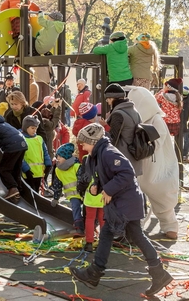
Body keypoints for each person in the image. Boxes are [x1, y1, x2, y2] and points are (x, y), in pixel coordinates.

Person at [69, 123, 173, 296]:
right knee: (131, 236)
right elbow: (107, 174)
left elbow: (126, 173)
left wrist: (108, 189)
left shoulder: (109, 153)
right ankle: (158, 273)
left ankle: (95, 273)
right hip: (124, 203)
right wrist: (98, 185)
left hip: (126, 203)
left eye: (84, 143)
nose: (82, 146)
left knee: (113, 234)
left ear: (92, 142)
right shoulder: (99, 153)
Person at [127, 86, 180, 239]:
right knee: (138, 197)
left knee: (161, 195)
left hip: (156, 164)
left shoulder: (156, 119)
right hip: (142, 164)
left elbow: (158, 140)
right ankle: (138, 227)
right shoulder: (139, 119)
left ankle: (170, 226)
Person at [103, 83, 145, 176]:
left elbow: (112, 139)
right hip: (134, 157)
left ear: (113, 98)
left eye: (108, 98)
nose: (107, 101)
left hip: (122, 160)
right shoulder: (134, 111)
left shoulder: (118, 114)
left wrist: (105, 126)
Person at [74, 137, 105, 252]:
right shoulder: (104, 158)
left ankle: (89, 243)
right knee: (103, 219)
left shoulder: (86, 159)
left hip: (90, 193)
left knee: (89, 219)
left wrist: (81, 190)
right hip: (103, 193)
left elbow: (82, 178)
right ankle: (103, 242)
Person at [0, 113, 28, 203]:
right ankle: (19, 189)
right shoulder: (4, 124)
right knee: (16, 168)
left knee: (4, 169)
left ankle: (12, 188)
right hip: (22, 143)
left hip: (12, 146)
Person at [51, 143, 84, 236]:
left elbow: (82, 181)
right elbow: (57, 185)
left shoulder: (76, 167)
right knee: (75, 208)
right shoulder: (58, 170)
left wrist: (84, 193)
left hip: (83, 193)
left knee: (86, 210)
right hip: (73, 195)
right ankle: (79, 226)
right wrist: (56, 198)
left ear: (66, 157)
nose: (57, 159)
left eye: (59, 157)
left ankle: (89, 226)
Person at [20, 115, 51, 193]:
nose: (34, 130)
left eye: (36, 128)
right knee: (28, 193)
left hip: (39, 173)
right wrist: (26, 169)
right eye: (32, 128)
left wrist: (48, 164)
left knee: (36, 192)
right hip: (28, 173)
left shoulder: (39, 139)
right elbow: (20, 157)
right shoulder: (21, 139)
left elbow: (45, 152)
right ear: (25, 127)